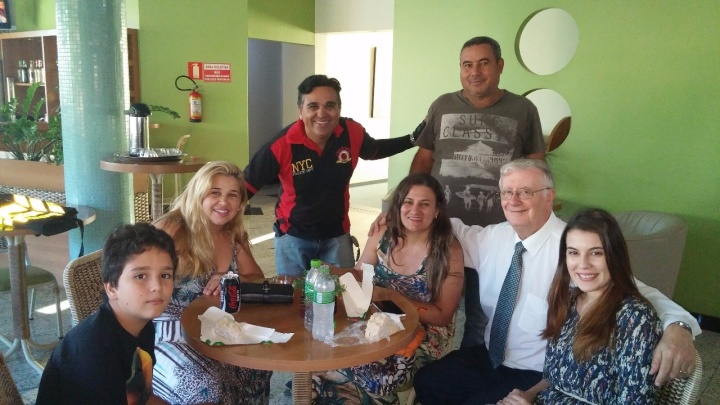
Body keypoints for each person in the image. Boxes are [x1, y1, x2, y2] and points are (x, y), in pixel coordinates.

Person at [413, 159, 700, 404]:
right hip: (490, 357)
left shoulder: (573, 247)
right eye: (507, 192)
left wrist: (679, 326)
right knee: (428, 382)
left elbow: (634, 290)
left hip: (541, 372)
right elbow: (447, 227)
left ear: (549, 196)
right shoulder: (493, 237)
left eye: (526, 192)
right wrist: (398, 215)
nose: (514, 201)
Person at [409, 36, 546, 348]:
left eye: (484, 63)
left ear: (499, 66)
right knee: (427, 306)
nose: (475, 71)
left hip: (496, 236)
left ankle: (471, 375)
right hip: (442, 230)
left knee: (482, 315)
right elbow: (424, 159)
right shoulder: (442, 105)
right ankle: (422, 375)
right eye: (467, 64)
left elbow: (537, 167)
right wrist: (407, 207)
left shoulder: (523, 110)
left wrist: (535, 218)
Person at [243, 74, 422, 276]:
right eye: (313, 106)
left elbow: (374, 150)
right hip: (293, 238)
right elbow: (245, 187)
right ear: (300, 111)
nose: (322, 113)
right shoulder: (281, 145)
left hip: (337, 235)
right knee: (294, 300)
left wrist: (412, 139)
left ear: (338, 109)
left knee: (343, 296)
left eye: (330, 105)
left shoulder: (351, 132)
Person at [314, 173, 464, 404]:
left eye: (425, 204)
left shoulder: (447, 249)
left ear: (437, 211)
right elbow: (360, 272)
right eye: (408, 202)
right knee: (322, 354)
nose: (415, 210)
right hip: (375, 320)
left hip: (421, 333)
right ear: (399, 205)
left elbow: (443, 316)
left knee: (377, 377)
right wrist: (331, 270)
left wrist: (390, 297)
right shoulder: (384, 234)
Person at [499, 208, 662, 404]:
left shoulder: (635, 317)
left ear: (614, 255)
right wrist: (527, 395)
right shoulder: (567, 300)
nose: (583, 264)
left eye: (596, 253)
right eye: (574, 253)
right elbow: (552, 377)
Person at [151, 161, 269, 404]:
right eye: (215, 193)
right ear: (198, 194)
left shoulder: (232, 234)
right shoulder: (173, 229)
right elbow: (137, 277)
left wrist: (230, 277)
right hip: (171, 331)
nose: (223, 202)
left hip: (217, 328)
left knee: (258, 366)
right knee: (211, 388)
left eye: (232, 195)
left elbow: (257, 278)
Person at [37, 223, 177, 405]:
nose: (157, 287)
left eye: (165, 275)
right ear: (111, 288)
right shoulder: (94, 355)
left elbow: (142, 396)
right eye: (140, 276)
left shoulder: (143, 325)